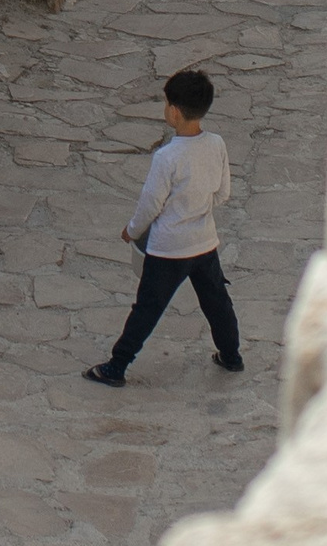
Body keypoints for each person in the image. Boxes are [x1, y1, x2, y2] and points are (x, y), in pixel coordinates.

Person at [83, 68, 241, 387]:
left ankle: (117, 366)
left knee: (147, 309)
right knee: (217, 303)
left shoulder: (167, 157)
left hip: (168, 250)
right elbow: (223, 194)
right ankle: (231, 355)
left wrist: (132, 229)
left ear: (173, 110)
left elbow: (150, 204)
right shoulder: (217, 144)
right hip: (205, 243)